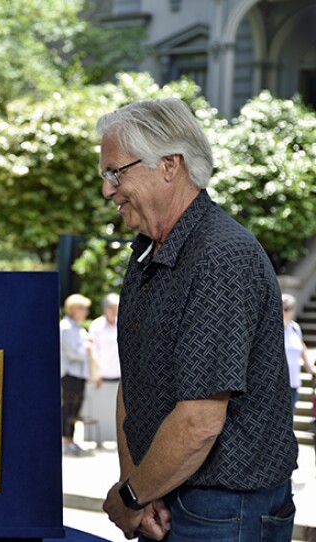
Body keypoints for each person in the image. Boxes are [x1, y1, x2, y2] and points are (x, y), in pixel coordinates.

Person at [98, 98, 297, 541]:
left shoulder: (220, 257)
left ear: (169, 165)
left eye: (116, 172)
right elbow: (135, 384)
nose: (108, 190)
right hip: (167, 496)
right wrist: (140, 489)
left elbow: (200, 421)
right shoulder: (148, 254)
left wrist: (130, 497)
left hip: (224, 508)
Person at [84, 293, 121, 446]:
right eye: (112, 308)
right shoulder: (97, 325)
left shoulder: (123, 323)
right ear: (105, 309)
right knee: (101, 410)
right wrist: (95, 373)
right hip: (102, 375)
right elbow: (93, 351)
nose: (115, 311)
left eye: (117, 308)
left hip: (120, 374)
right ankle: (98, 439)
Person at [60, 293, 93, 457]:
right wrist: (87, 347)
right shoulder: (65, 328)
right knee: (69, 407)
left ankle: (71, 439)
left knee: (76, 408)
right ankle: (65, 440)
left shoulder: (79, 328)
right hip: (69, 374)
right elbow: (73, 352)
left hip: (80, 374)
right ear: (73, 309)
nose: (86, 312)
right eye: (83, 308)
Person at [282, 293, 315, 410]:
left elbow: (302, 347)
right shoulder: (272, 328)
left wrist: (310, 367)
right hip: (276, 384)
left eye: (286, 309)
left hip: (293, 383)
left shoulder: (295, 328)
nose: (283, 312)